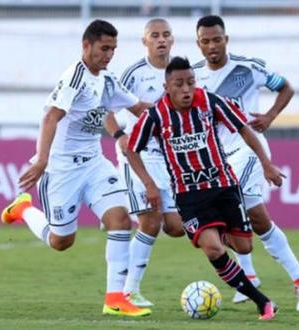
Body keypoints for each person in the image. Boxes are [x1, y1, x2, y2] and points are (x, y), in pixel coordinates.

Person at [0, 19, 152, 317]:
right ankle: (24, 210)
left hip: (95, 164)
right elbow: (50, 118)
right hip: (62, 170)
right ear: (87, 46)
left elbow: (139, 108)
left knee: (120, 219)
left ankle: (115, 299)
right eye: (104, 48)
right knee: (61, 242)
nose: (109, 55)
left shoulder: (107, 80)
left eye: (113, 49)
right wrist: (42, 160)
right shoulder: (75, 77)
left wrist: (180, 107)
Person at [126, 56, 284, 320]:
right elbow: (131, 149)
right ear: (167, 87)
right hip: (189, 196)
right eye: (179, 84)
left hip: (223, 185)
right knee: (212, 249)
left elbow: (244, 130)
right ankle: (263, 303)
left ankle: (217, 230)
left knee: (244, 247)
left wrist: (266, 164)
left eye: (190, 82)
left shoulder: (210, 102)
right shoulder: (155, 115)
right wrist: (149, 184)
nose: (186, 89)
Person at [193, 14, 299, 310]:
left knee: (222, 204)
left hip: (249, 148)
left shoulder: (248, 67)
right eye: (206, 41)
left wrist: (270, 116)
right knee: (258, 219)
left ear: (226, 39)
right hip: (218, 155)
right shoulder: (193, 76)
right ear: (199, 44)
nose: (212, 46)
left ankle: (249, 273)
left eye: (217, 39)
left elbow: (286, 87)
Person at [103, 18, 184, 308]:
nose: (161, 40)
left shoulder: (182, 73)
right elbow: (106, 110)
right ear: (144, 41)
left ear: (172, 40)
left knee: (175, 226)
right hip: (137, 154)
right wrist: (120, 134)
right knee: (151, 220)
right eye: (155, 35)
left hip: (169, 157)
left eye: (165, 35)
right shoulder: (134, 74)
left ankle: (126, 203)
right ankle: (127, 291)